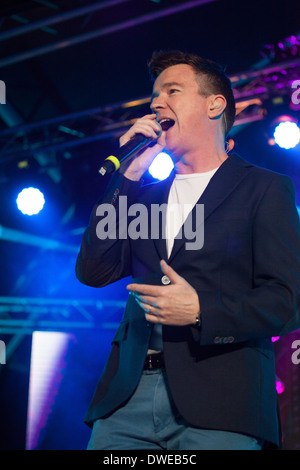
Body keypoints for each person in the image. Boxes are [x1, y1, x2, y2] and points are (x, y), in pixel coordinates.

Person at [76, 50, 300, 450]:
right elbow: (94, 270)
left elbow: (285, 302)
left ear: (215, 104)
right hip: (127, 401)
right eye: (154, 97)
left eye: (172, 91)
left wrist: (201, 310)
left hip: (223, 400)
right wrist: (128, 175)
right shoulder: (142, 196)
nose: (156, 103)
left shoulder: (264, 189)